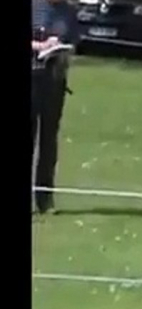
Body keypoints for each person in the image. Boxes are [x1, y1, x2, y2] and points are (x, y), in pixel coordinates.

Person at [32, 0, 79, 214]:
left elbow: (73, 41)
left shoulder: (68, 12)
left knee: (49, 140)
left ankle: (45, 198)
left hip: (54, 82)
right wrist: (38, 46)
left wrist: (58, 44)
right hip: (33, 77)